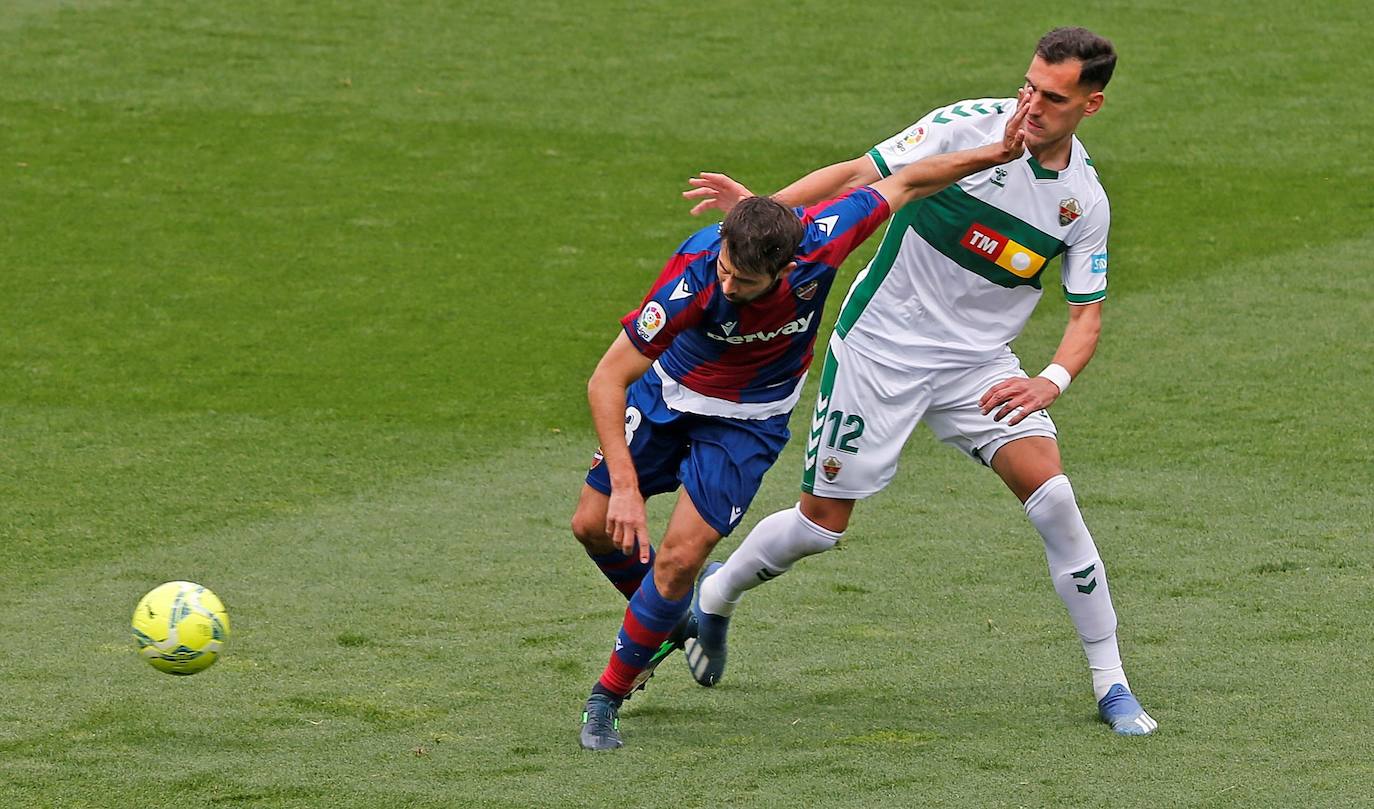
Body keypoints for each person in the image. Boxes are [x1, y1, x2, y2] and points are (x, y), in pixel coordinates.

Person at [680, 27, 1157, 736]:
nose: (1031, 105)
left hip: (978, 365)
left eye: (1053, 97)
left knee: (1055, 499)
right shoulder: (964, 128)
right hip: (880, 349)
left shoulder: (1081, 203)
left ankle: (1111, 681)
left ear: (1092, 104)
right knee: (819, 527)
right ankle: (716, 596)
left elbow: (1087, 315)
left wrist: (1049, 380)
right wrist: (761, 217)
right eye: (1029, 85)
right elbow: (854, 176)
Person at [570, 106, 1032, 751]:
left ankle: (607, 697)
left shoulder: (824, 236)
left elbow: (905, 181)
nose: (729, 283)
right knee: (592, 526)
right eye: (727, 267)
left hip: (747, 422)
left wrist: (997, 156)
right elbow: (605, 380)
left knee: (678, 559)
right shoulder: (693, 278)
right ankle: (671, 622)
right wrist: (623, 486)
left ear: (789, 266)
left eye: (746, 279)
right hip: (669, 395)